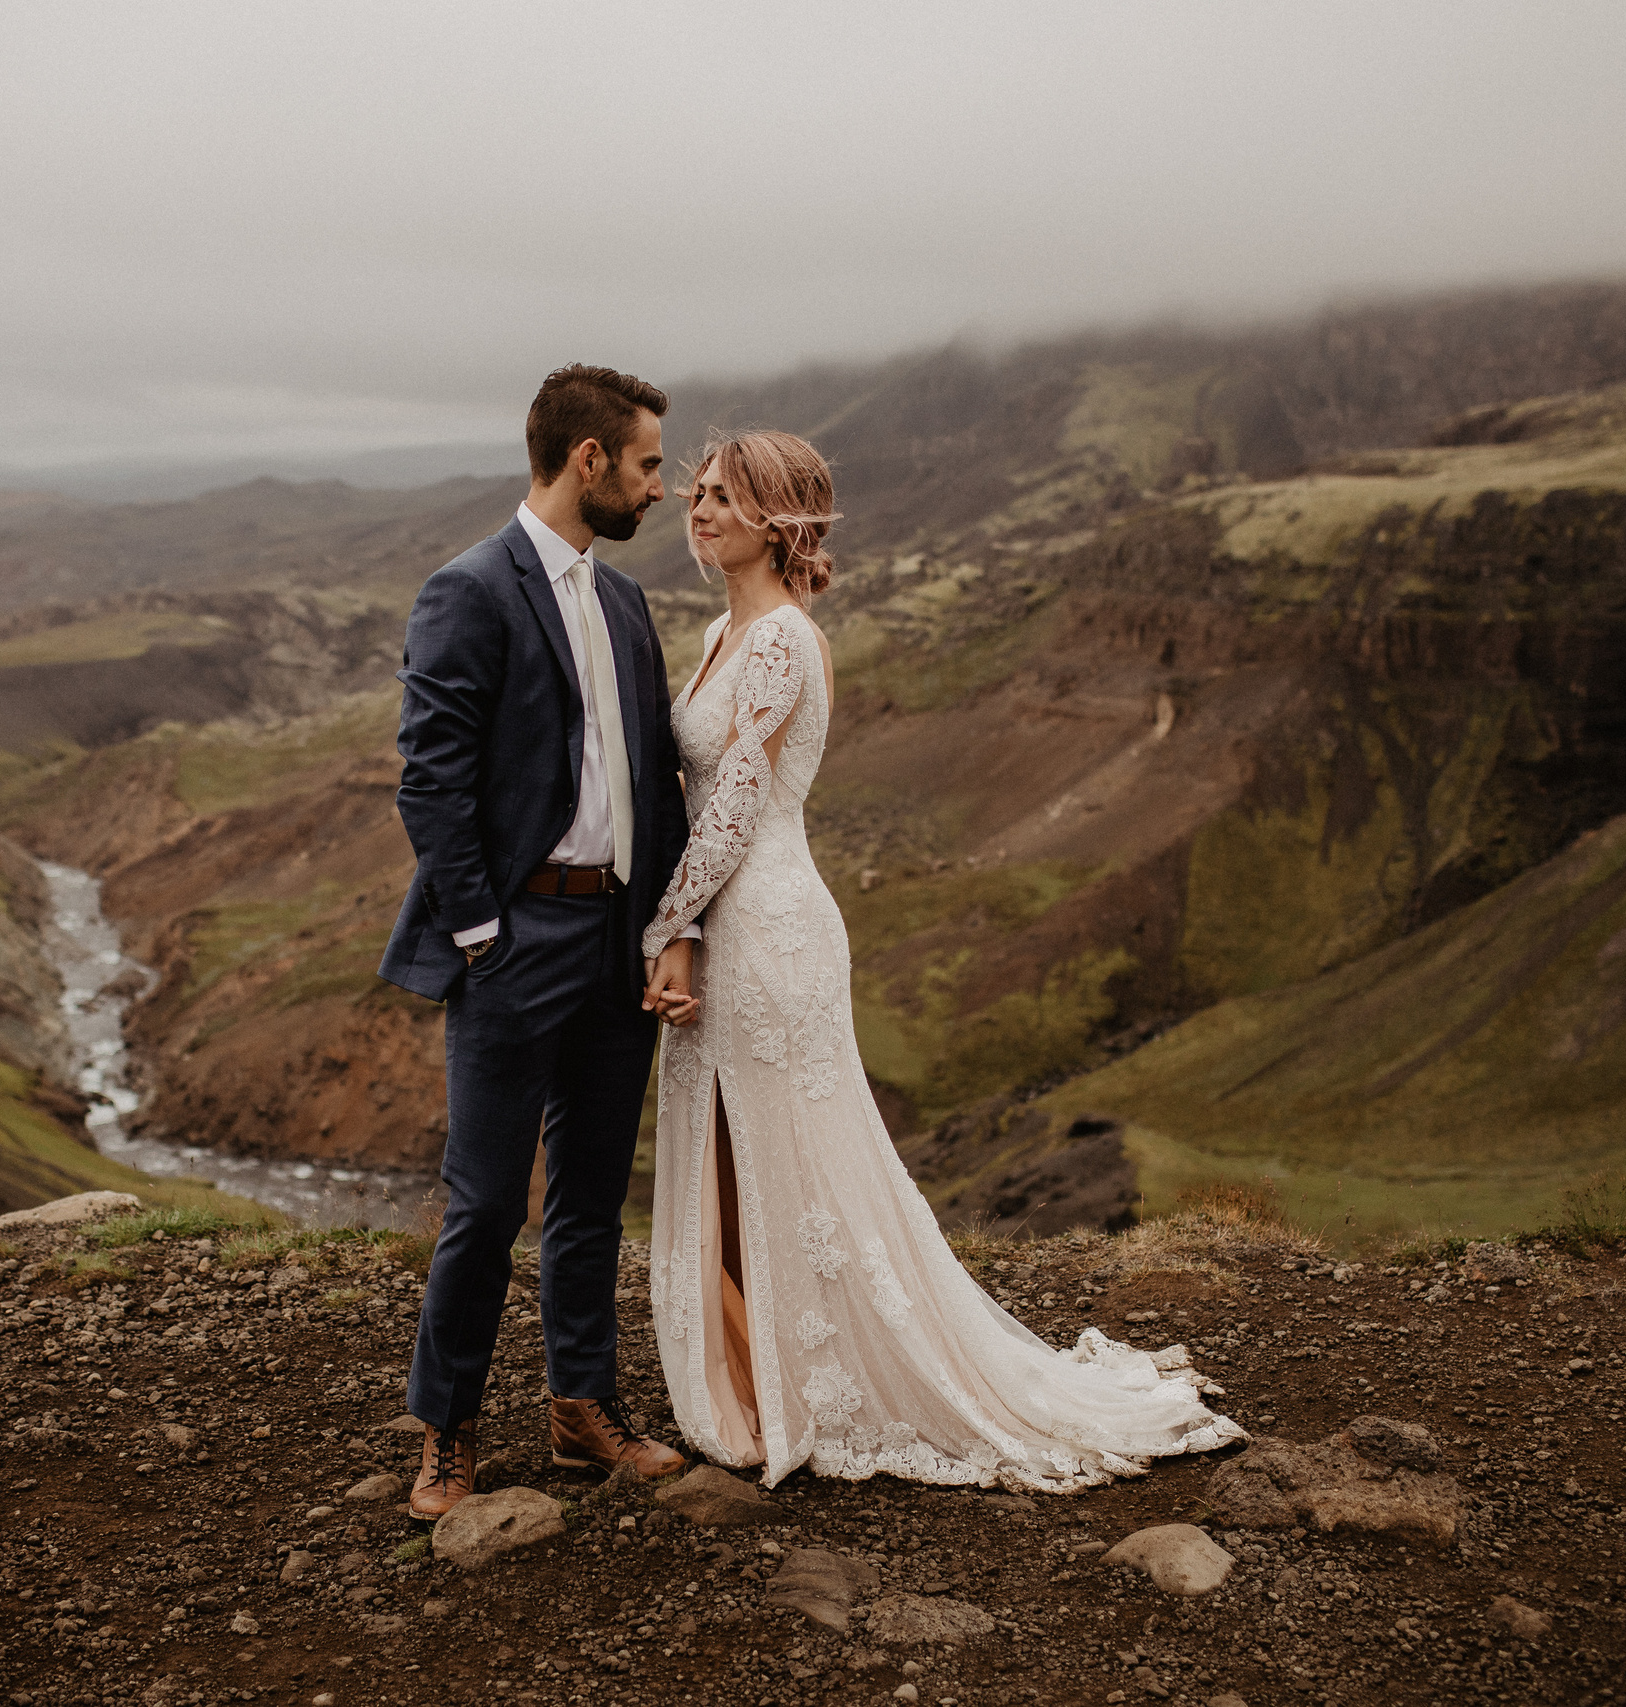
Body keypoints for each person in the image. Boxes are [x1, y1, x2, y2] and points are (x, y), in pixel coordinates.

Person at [637, 428, 1246, 1490]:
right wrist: (684, 931)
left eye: (724, 498)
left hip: (767, 926)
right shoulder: (714, 635)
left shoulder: (779, 640)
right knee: (734, 1155)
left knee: (786, 1157)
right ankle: (753, 1369)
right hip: (726, 924)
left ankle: (813, 1378)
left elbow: (732, 813)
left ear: (778, 520)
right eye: (694, 494)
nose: (699, 512)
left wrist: (664, 932)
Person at [378, 364, 698, 1520]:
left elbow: (651, 784)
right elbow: (434, 781)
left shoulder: (620, 603)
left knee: (591, 1197)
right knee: (483, 1205)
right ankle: (448, 1433)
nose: (660, 488)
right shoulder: (468, 589)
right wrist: (481, 933)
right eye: (650, 463)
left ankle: (581, 1411)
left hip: (614, 936)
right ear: (589, 460)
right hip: (516, 941)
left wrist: (665, 924)